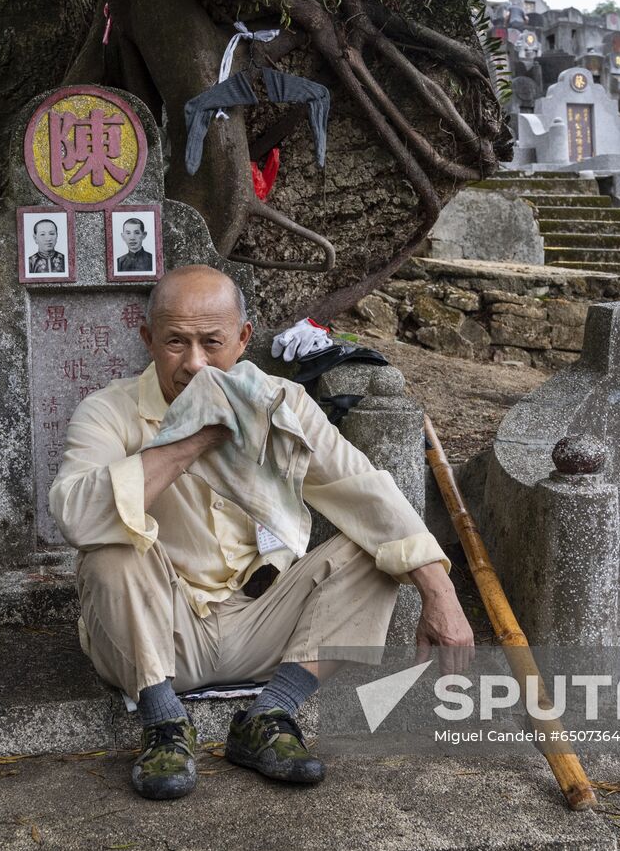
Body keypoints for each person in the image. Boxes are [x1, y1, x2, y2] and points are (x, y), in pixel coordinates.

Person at [50, 265, 473, 801]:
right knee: (111, 545)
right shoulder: (108, 412)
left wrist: (441, 593)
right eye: (176, 343)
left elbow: (363, 489)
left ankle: (270, 715)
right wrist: (191, 439)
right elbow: (75, 515)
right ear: (148, 340)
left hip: (261, 625)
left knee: (373, 552)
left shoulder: (282, 403)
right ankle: (163, 726)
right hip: (158, 633)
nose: (195, 363)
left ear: (245, 339)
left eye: (212, 342)